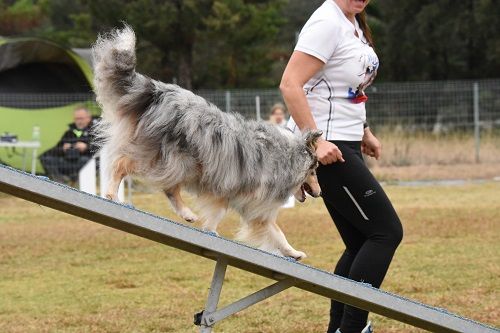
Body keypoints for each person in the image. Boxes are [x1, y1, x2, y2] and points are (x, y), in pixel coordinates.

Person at [279, 1, 403, 332]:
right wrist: (315, 142)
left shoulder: (353, 23)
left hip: (345, 143)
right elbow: (291, 84)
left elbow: (342, 89)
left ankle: (339, 329)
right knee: (386, 232)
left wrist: (363, 131)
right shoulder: (326, 23)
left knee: (362, 242)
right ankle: (353, 328)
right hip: (328, 150)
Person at [40, 106, 98, 183]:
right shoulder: (69, 132)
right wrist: (63, 148)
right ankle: (59, 183)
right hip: (67, 162)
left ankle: (78, 182)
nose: (79, 121)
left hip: (86, 161)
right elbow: (55, 149)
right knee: (45, 157)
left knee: (90, 161)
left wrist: (87, 147)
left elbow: (102, 149)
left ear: (88, 118)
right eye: (76, 119)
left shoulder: (96, 130)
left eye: (81, 118)